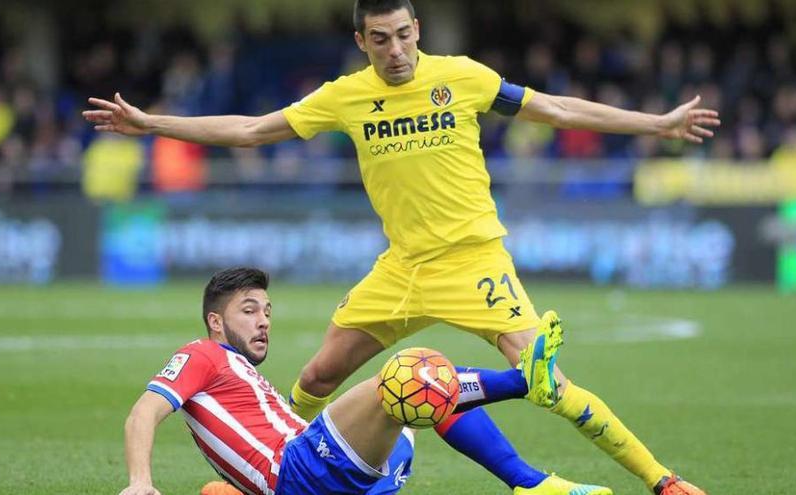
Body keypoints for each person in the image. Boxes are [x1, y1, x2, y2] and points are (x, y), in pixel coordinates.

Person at [86, 2, 719, 493]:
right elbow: (252, 129)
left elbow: (555, 108)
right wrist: (149, 124)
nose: (396, 51)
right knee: (317, 375)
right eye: (380, 39)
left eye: (404, 35)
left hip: (475, 261)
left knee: (550, 383)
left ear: (418, 29)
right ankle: (283, 472)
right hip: (400, 269)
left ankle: (658, 478)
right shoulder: (346, 95)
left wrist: (657, 123)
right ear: (362, 42)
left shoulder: (463, 77)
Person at [119, 267, 612, 495]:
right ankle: (525, 384)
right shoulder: (203, 354)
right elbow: (144, 411)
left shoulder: (244, 377)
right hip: (302, 471)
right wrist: (140, 483)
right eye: (248, 311)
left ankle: (529, 480)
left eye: (267, 311)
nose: (264, 321)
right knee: (407, 374)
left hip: (341, 474)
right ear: (215, 323)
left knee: (424, 402)